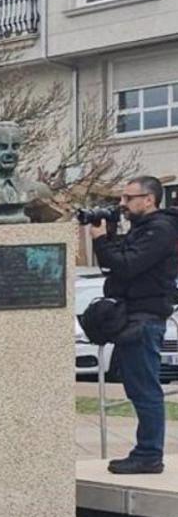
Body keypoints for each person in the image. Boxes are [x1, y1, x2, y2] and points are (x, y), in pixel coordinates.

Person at [91, 176, 178, 475]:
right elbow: (117, 263)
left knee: (145, 390)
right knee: (137, 388)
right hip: (133, 316)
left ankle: (149, 454)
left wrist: (101, 240)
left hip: (145, 318)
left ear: (149, 199)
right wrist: (109, 235)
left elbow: (127, 265)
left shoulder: (160, 230)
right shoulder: (143, 230)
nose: (122, 204)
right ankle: (145, 452)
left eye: (129, 198)